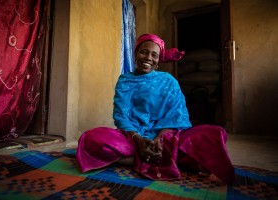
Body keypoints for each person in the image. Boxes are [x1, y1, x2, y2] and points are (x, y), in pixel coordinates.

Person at [76, 34, 235, 183]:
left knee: (214, 134)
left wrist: (160, 138)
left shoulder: (168, 80)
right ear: (136, 53)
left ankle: (137, 158)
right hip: (133, 137)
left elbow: (176, 114)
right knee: (90, 138)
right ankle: (167, 158)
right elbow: (121, 116)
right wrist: (138, 140)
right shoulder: (125, 80)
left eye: (154, 55)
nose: (148, 58)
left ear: (158, 61)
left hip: (167, 138)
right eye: (144, 52)